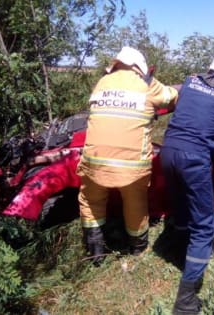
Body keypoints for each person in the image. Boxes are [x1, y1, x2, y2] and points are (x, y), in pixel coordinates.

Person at [160, 47, 214, 315]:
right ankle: (185, 302)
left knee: (181, 202)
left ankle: (177, 245)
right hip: (194, 158)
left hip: (168, 152)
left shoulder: (189, 81)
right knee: (205, 226)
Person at [76, 46, 178, 265]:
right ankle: (137, 249)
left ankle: (95, 254)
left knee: (90, 202)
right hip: (132, 167)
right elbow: (172, 97)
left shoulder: (102, 82)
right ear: (139, 66)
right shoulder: (147, 84)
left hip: (93, 163)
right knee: (135, 204)